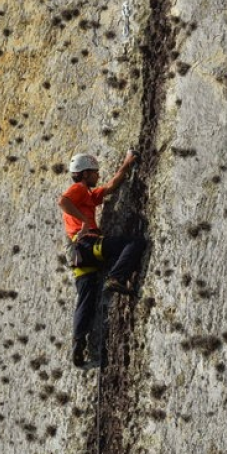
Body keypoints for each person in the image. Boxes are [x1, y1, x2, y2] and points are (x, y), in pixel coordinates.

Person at [59, 150, 145, 368]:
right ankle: (116, 277)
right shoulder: (79, 189)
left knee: (85, 300)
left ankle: (79, 343)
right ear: (85, 173)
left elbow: (110, 187)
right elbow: (63, 202)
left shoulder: (88, 195)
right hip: (87, 244)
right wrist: (83, 222)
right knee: (133, 243)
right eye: (95, 172)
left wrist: (127, 162)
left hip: (78, 255)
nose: (98, 176)